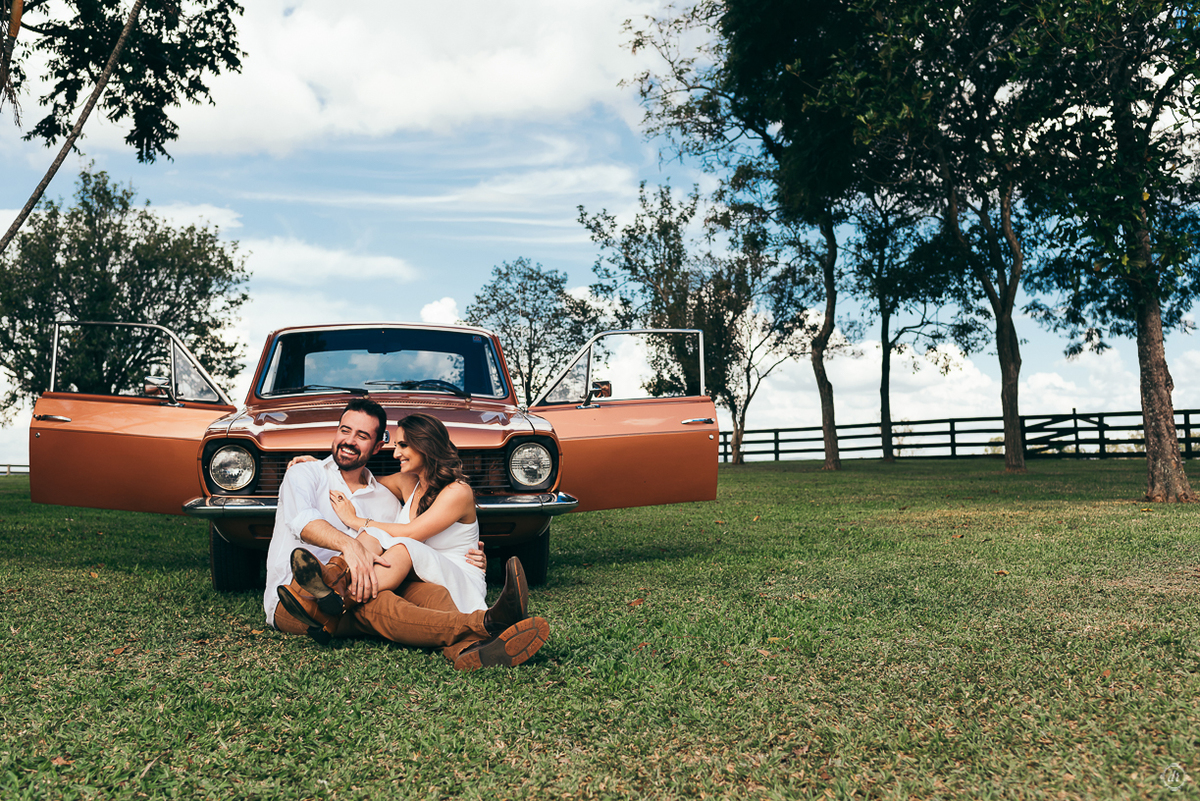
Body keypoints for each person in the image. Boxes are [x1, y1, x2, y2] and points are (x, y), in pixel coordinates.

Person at [263, 397, 549, 670]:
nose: (349, 440)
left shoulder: (386, 496)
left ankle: (469, 651)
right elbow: (304, 523)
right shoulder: (306, 473)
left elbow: (401, 535)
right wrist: (351, 546)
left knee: (428, 591)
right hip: (293, 597)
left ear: (377, 447)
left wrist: (357, 522)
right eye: (344, 431)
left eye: (362, 436)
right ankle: (487, 623)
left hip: (365, 587)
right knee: (381, 594)